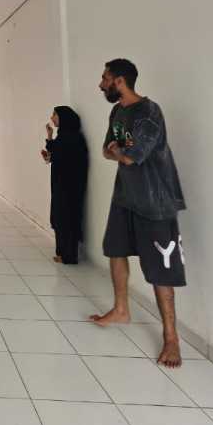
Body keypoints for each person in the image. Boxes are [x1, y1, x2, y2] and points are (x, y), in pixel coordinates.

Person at [91, 58, 187, 368]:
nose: (101, 84)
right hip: (125, 197)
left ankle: (171, 338)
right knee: (115, 249)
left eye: (105, 78)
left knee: (161, 268)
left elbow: (133, 156)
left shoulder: (149, 112)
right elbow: (107, 149)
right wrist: (119, 152)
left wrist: (120, 152)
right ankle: (121, 309)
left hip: (155, 200)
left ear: (119, 81)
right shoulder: (117, 111)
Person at [40, 106, 88, 264]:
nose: (52, 117)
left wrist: (51, 150)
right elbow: (58, 154)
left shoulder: (72, 138)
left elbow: (66, 158)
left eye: (55, 114)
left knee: (66, 218)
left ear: (64, 117)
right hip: (62, 185)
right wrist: (49, 140)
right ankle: (62, 253)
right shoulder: (64, 136)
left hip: (69, 187)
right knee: (60, 218)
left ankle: (69, 255)